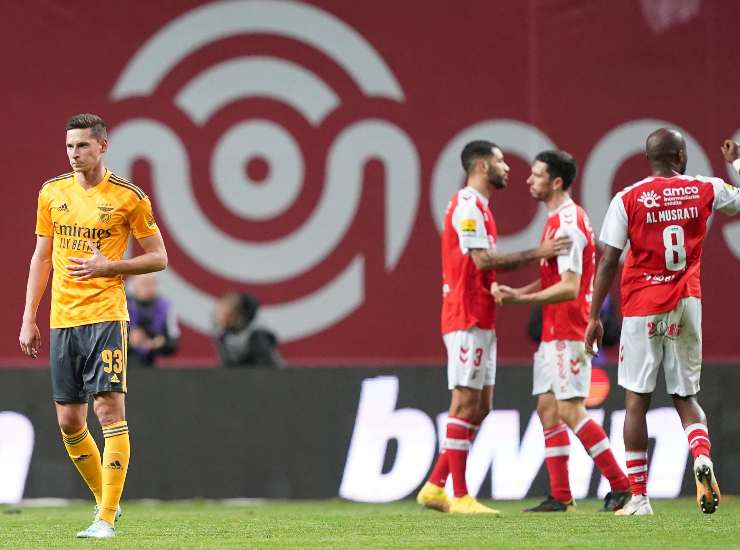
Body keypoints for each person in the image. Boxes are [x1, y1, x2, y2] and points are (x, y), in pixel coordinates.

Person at [18, 114, 167, 538]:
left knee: (108, 411)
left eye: (82, 146)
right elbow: (42, 258)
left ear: (103, 146)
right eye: (69, 146)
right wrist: (29, 315)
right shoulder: (52, 192)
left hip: (105, 317)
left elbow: (159, 257)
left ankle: (105, 517)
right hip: (64, 319)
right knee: (69, 421)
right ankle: (107, 500)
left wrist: (111, 266)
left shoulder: (128, 198)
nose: (74, 154)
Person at [585, 130, 740, 516]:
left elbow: (608, 260)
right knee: (686, 396)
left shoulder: (628, 198)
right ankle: (701, 455)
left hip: (642, 306)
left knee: (636, 401)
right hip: (687, 303)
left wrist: (593, 316)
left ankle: (639, 498)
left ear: (648, 158)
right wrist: (736, 161)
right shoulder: (704, 187)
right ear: (681, 155)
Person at [416, 140, 571, 514]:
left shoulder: (480, 207)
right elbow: (483, 261)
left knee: (481, 407)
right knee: (463, 402)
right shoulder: (468, 205)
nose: (508, 169)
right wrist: (540, 253)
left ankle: (435, 487)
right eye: (501, 162)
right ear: (483, 166)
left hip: (481, 314)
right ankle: (461, 495)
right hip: (465, 315)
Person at [492, 150, 630, 512]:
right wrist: (519, 292)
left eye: (536, 175)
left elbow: (570, 286)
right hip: (554, 330)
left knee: (570, 410)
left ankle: (621, 485)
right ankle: (560, 495)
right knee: (548, 408)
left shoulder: (568, 222)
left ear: (555, 182)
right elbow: (555, 274)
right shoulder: (557, 219)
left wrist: (522, 303)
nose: (528, 180)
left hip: (569, 327)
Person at [213, 292, 285, 368]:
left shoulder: (257, 335)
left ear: (238, 314)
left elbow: (268, 366)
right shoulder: (223, 336)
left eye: (224, 313)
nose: (219, 317)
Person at [127, 272, 180, 367]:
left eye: (152, 283)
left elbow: (173, 342)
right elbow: (106, 342)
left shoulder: (165, 307)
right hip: (124, 366)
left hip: (153, 365)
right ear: (133, 286)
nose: (149, 288)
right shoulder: (121, 306)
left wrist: (161, 343)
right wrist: (128, 340)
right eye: (144, 284)